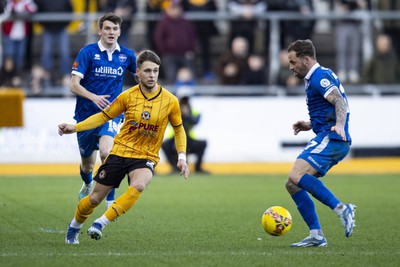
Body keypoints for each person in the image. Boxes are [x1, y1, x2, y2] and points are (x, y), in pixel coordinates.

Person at [59, 49, 190, 244]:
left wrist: (182, 158)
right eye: (147, 71)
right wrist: (75, 127)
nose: (152, 75)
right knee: (94, 199)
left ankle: (100, 223)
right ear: (138, 72)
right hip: (120, 151)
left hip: (146, 156)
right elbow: (103, 116)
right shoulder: (127, 96)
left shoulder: (170, 101)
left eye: (155, 71)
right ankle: (74, 227)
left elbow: (179, 129)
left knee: (138, 185)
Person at [285, 39, 356, 247]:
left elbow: (340, 102)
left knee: (295, 175)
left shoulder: (319, 76)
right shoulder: (314, 78)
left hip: (332, 138)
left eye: (293, 62)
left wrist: (340, 125)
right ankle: (316, 235)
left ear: (306, 59)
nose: (290, 67)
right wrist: (309, 124)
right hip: (328, 136)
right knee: (292, 185)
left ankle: (342, 209)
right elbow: (328, 109)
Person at [69, 13, 137, 209]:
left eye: (115, 29)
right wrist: (93, 97)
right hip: (86, 116)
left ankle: (109, 199)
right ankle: (88, 182)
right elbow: (74, 85)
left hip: (112, 114)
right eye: (107, 28)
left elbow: (140, 76)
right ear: (100, 31)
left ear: (119, 32)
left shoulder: (127, 55)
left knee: (107, 152)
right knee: (87, 165)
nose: (111, 32)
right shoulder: (88, 52)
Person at [162, 86, 209, 174]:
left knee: (203, 144)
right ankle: (174, 168)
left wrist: (187, 115)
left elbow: (196, 121)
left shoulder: (193, 111)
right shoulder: (173, 110)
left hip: (189, 140)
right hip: (174, 139)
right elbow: (165, 120)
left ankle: (198, 167)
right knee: (164, 145)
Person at [31, 0, 73, 94]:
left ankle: (65, 76)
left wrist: (64, 23)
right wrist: (44, 23)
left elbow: (70, 10)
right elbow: (38, 10)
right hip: (48, 29)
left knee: (64, 53)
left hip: (61, 28)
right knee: (46, 53)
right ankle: (46, 75)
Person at [154, 1, 197, 84]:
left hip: (185, 54)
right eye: (173, 8)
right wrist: (164, 51)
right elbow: (158, 39)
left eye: (177, 8)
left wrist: (191, 50)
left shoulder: (186, 22)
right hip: (170, 55)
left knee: (191, 75)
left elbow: (192, 37)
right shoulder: (163, 23)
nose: (176, 11)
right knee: (171, 76)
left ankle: (193, 93)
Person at [1, 0, 37, 87]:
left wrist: (20, 14)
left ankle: (17, 78)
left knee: (20, 57)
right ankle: (7, 79)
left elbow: (33, 9)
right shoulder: (9, 2)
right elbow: (8, 11)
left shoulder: (26, 2)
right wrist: (17, 13)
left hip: (22, 35)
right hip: (10, 34)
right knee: (9, 57)